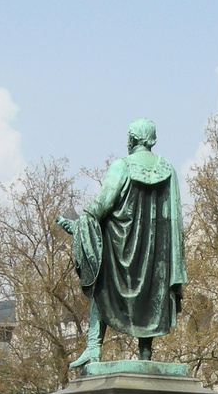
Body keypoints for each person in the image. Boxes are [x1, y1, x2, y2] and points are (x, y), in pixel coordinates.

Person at [57, 118, 187, 369]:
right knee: (152, 294)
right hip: (155, 254)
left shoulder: (122, 166)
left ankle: (94, 348)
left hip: (120, 247)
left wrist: (80, 226)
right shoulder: (168, 169)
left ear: (132, 139)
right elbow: (172, 217)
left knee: (100, 289)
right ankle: (145, 355)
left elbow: (102, 205)